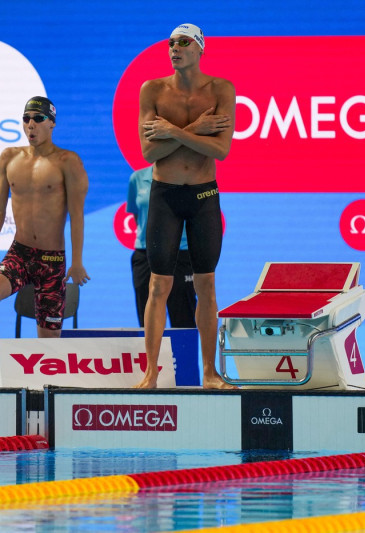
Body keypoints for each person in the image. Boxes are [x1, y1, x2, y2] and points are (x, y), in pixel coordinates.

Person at [0, 96, 90, 386]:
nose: (31, 124)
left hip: (52, 259)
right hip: (19, 252)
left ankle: (46, 390)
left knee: (48, 339)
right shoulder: (9, 157)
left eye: (39, 118)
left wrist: (77, 261)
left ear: (52, 123)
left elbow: (77, 215)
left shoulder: (68, 162)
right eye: (27, 118)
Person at [135, 23, 236, 389]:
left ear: (200, 49)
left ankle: (209, 373)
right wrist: (197, 129)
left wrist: (174, 131)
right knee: (158, 287)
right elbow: (149, 152)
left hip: (203, 197)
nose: (174, 48)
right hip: (165, 197)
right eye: (170, 43)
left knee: (206, 285)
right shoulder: (153, 90)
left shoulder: (221, 89)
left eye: (183, 43)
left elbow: (221, 151)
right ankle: (151, 373)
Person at [127, 165, 197, 328]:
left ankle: (183, 354)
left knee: (183, 319)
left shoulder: (191, 177)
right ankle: (151, 354)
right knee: (146, 320)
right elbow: (138, 215)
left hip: (181, 253)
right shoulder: (137, 178)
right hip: (145, 254)